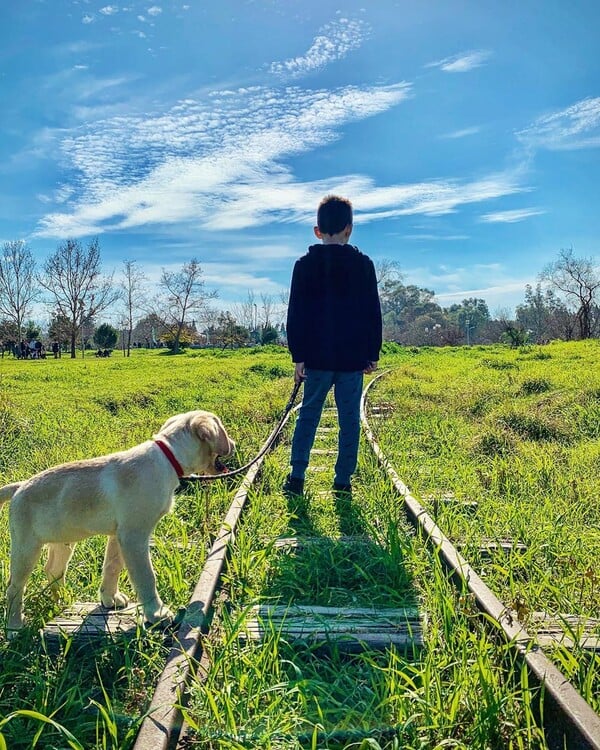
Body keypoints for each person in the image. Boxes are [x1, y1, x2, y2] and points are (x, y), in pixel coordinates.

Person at [284, 195, 382, 497]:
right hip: (352, 359)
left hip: (316, 358)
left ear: (317, 231)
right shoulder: (364, 265)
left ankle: (297, 477)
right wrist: (372, 353)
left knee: (308, 414)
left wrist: (298, 356)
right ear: (349, 229)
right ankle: (342, 481)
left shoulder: (303, 265)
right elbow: (372, 312)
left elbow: (295, 313)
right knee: (349, 419)